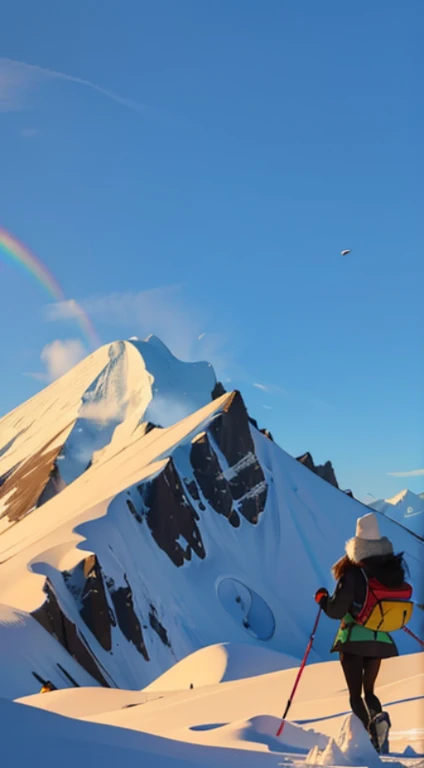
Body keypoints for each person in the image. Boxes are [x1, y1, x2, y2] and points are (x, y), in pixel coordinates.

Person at [314, 512, 410, 749]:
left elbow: (336, 611)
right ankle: (379, 725)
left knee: (355, 697)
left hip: (353, 641)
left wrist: (322, 599)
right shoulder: (389, 571)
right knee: (370, 692)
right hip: (379, 639)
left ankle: (373, 739)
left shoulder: (354, 574)